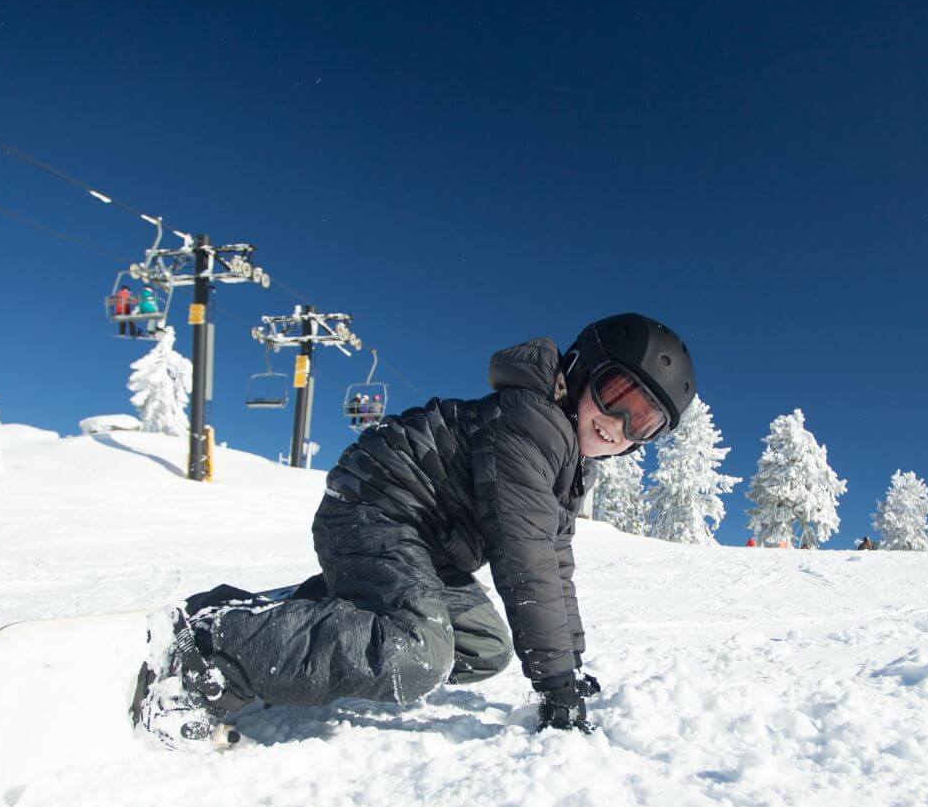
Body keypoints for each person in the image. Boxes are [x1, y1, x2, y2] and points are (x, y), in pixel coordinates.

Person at [135, 314, 698, 747]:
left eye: (644, 422)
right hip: (375, 511)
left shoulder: (568, 466)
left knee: (483, 649)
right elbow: (524, 559)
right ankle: (211, 649)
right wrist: (554, 688)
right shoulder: (531, 425)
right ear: (579, 369)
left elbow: (555, 568)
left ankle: (293, 613)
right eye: (616, 397)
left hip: (423, 549)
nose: (619, 426)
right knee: (419, 653)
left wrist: (569, 667)